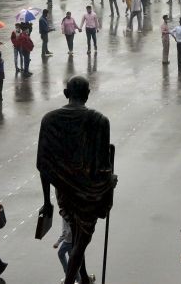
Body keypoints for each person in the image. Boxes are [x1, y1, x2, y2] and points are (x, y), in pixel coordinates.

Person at [37, 76, 116, 284]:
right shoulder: (100, 121)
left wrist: (47, 201)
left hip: (64, 193)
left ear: (66, 94)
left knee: (77, 238)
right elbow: (103, 167)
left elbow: (43, 165)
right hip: (90, 195)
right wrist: (110, 183)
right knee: (81, 243)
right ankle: (73, 280)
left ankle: (82, 277)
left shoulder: (49, 119)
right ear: (88, 94)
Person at [53, 210, 74, 279]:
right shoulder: (72, 213)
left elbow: (66, 232)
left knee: (61, 254)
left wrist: (58, 242)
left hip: (68, 241)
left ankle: (68, 273)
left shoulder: (66, 217)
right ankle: (75, 277)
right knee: (72, 260)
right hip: (73, 240)